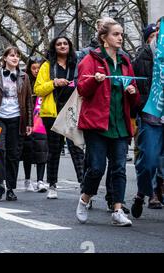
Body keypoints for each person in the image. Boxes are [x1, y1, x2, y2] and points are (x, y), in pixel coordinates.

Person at [76, 18, 139, 227]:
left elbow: (134, 95)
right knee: (96, 168)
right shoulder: (90, 59)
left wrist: (131, 91)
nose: (120, 37)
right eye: (116, 34)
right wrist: (95, 79)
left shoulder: (125, 61)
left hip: (120, 123)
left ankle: (117, 210)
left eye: (121, 34)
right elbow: (81, 89)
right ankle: (85, 198)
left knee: (119, 168)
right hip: (97, 123)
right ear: (104, 38)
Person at [34, 36, 85, 199]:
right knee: (54, 150)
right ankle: (52, 185)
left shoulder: (77, 65)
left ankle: (84, 187)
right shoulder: (47, 66)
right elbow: (38, 89)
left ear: (70, 46)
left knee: (76, 149)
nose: (62, 46)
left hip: (72, 112)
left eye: (65, 43)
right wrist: (54, 83)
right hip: (52, 113)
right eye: (59, 44)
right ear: (54, 48)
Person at [0, 46, 33, 201]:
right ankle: (0, 185)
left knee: (14, 154)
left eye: (17, 55)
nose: (15, 58)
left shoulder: (24, 76)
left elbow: (29, 101)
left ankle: (11, 188)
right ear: (4, 58)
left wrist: (29, 122)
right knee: (0, 151)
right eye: (11, 55)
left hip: (17, 118)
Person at [131, 18, 163, 217]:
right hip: (152, 117)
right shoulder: (144, 55)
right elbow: (134, 85)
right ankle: (142, 192)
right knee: (149, 162)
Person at [21, 56, 48, 193]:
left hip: (42, 120)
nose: (36, 71)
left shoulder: (45, 80)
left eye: (39, 68)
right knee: (28, 151)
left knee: (42, 150)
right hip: (29, 121)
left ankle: (40, 180)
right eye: (34, 68)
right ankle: (27, 179)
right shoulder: (25, 81)